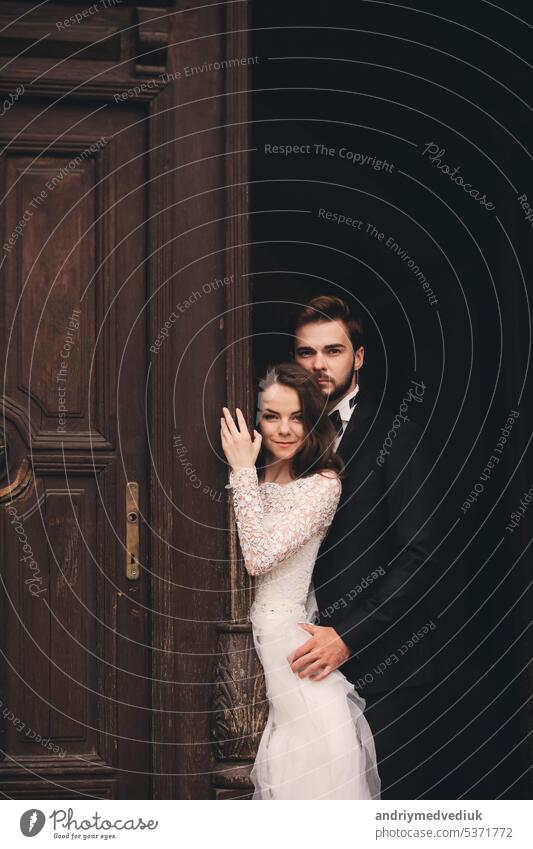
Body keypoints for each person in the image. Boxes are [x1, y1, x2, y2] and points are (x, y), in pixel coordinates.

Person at [288, 295, 438, 799]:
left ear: (359, 357)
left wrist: (347, 636)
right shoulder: (283, 435)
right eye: (306, 353)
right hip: (297, 666)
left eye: (333, 350)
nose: (318, 365)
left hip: (382, 671)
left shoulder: (399, 435)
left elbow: (420, 556)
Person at [220, 362, 381, 800]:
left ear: (313, 420)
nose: (285, 429)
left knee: (308, 776)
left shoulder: (323, 484)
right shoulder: (253, 478)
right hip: (248, 642)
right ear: (256, 419)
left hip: (288, 647)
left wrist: (239, 470)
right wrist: (245, 474)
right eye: (272, 416)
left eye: (297, 417)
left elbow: (259, 557)